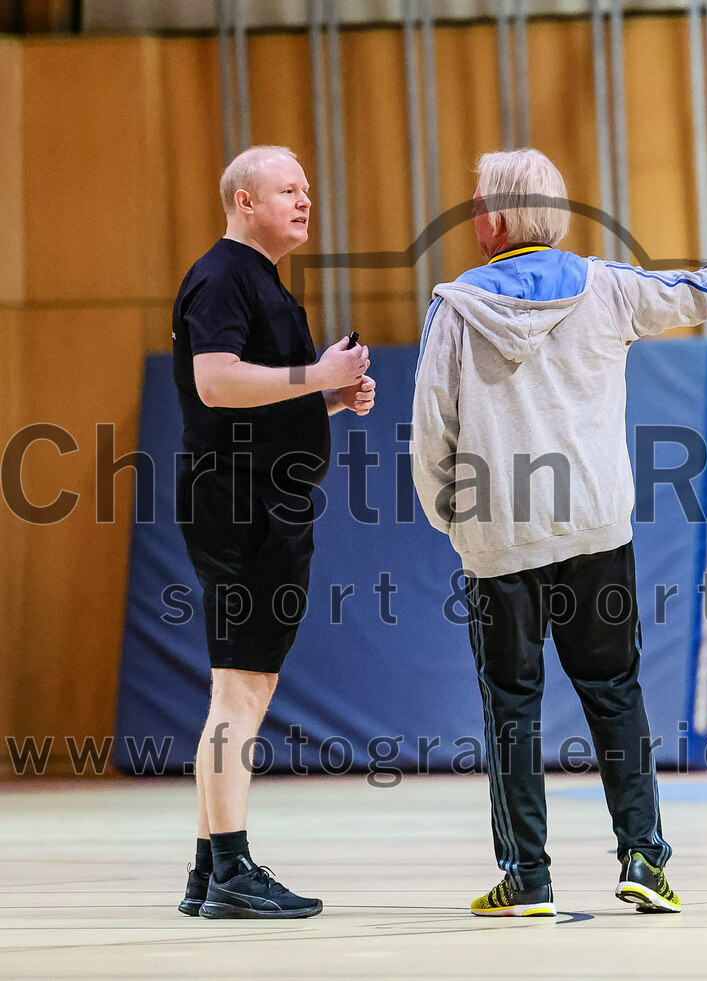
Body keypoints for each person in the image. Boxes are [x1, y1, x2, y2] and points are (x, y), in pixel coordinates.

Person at [411, 147, 707, 916]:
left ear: (503, 215)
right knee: (614, 694)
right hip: (595, 534)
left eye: (479, 200)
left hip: (499, 540)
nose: (473, 212)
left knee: (511, 704)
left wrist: (457, 523)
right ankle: (644, 858)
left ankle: (528, 878)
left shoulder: (455, 309)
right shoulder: (608, 289)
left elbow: (430, 435)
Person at [172, 145, 376, 919]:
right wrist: (316, 378)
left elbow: (255, 397)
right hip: (239, 501)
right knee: (241, 688)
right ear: (244, 200)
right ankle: (230, 867)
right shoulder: (223, 274)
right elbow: (214, 381)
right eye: (288, 188)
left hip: (264, 497)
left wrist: (327, 399)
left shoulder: (262, 282)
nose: (305, 199)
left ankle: (205, 870)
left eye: (308, 188)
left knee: (243, 688)